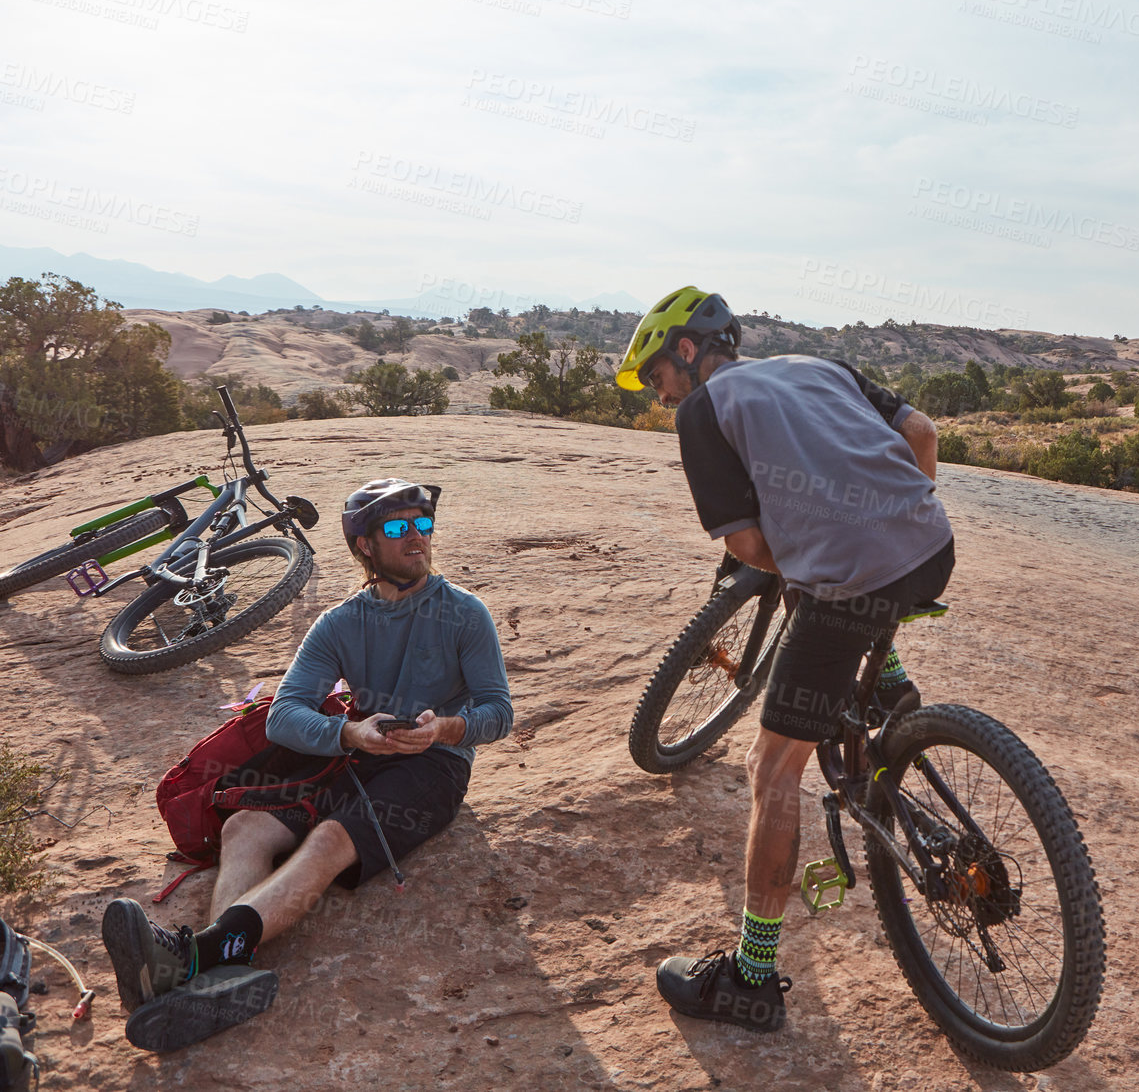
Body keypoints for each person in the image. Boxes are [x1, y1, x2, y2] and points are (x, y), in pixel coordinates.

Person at [616, 286, 954, 1032]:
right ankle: (891, 690)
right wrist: (892, 522)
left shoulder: (704, 411)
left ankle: (752, 979)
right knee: (855, 600)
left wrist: (812, 555)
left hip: (850, 584)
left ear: (686, 350)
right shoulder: (820, 363)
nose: (659, 393)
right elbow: (922, 432)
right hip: (932, 550)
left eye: (657, 376)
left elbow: (747, 547)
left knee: (771, 772)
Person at [102, 478, 514, 1052]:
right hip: (358, 750)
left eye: (422, 523)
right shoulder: (341, 622)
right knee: (245, 824)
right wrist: (350, 732)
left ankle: (195, 956)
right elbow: (284, 716)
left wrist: (445, 729)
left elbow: (498, 711)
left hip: (435, 767)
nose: (416, 536)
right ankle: (223, 974)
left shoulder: (465, 613)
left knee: (327, 839)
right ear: (365, 545)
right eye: (398, 527)